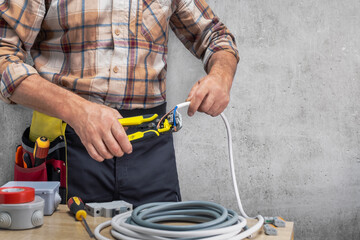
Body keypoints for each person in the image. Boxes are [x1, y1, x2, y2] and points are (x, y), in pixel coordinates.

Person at [0, 0, 239, 207]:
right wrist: (78, 110)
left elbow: (216, 35)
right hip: (65, 147)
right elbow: (3, 56)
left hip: (150, 152)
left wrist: (221, 75)